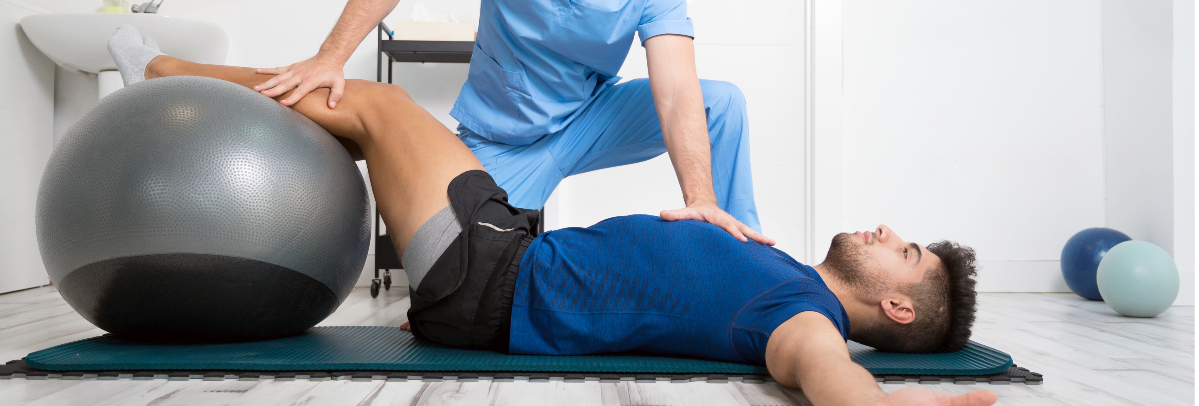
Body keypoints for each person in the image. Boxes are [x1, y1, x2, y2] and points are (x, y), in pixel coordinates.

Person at [108, 26, 996, 406]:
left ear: (898, 309)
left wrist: (878, 399)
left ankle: (164, 73)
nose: (885, 230)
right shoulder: (781, 270)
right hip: (503, 258)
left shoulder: (804, 320)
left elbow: (819, 376)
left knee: (376, 108)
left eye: (904, 251)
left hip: (494, 275)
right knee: (362, 122)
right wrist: (703, 207)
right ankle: (180, 84)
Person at [248, 0, 774, 246]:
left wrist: (699, 198)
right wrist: (331, 56)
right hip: (500, 144)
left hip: (589, 120)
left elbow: (678, 89)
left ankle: (742, 259)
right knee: (447, 284)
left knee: (719, 102)